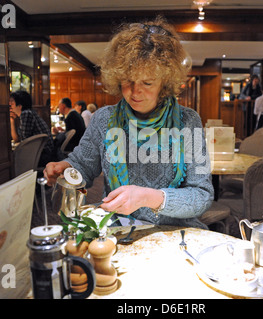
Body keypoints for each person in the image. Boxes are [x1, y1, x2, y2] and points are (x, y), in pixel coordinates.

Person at [44, 17, 213, 228]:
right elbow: (83, 167)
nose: (135, 92)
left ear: (165, 82)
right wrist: (66, 169)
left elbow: (202, 195)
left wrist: (148, 197)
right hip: (119, 228)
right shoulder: (104, 119)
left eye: (147, 82)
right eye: (128, 81)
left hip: (174, 231)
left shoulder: (188, 121)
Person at [9, 90, 56, 167]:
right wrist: (12, 121)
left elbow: (24, 140)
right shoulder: (28, 113)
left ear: (20, 105)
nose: (10, 106)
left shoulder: (26, 114)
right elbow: (16, 139)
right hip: (42, 154)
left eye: (12, 103)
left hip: (42, 155)